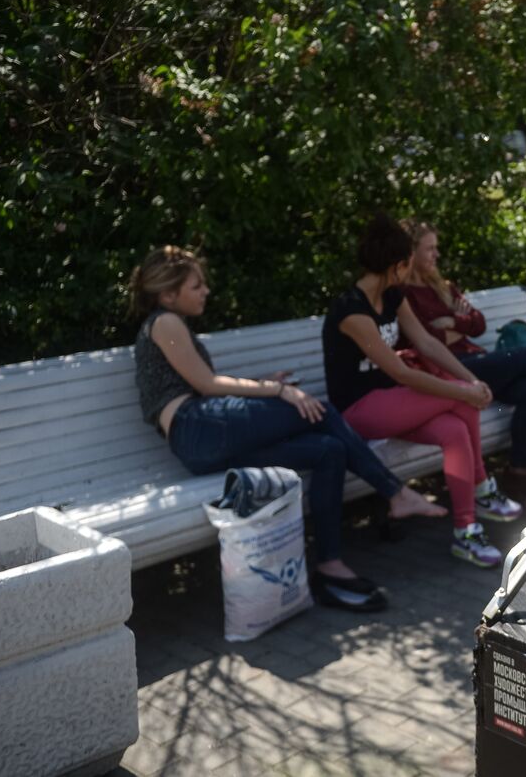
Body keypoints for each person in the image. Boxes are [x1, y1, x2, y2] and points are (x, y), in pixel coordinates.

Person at [129, 246, 445, 615]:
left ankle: (329, 566)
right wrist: (278, 391)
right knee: (318, 410)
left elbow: (201, 386)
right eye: (197, 286)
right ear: (168, 294)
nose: (205, 292)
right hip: (195, 428)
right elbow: (207, 385)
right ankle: (394, 491)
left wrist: (260, 383)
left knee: (329, 449)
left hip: (203, 440)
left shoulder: (171, 323)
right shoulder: (165, 321)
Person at [322, 214, 522, 568]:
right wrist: (464, 389)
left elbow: (428, 343)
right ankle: (481, 487)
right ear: (397, 265)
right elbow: (400, 371)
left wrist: (470, 381)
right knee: (460, 399)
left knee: (457, 429)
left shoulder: (393, 295)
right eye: (406, 266)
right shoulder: (350, 309)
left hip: (394, 404)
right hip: (359, 410)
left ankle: (466, 531)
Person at [399, 220, 526, 479]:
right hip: (447, 371)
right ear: (411, 251)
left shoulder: (442, 287)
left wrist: (454, 322)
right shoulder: (404, 295)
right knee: (524, 355)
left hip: (476, 363)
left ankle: (519, 472)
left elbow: (478, 323)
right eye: (430, 249)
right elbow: (427, 339)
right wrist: (456, 326)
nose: (437, 254)